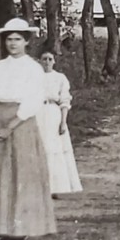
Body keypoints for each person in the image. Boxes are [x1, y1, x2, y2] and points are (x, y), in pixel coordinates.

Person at [0, 18, 56, 240]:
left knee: (20, 173)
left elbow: (33, 100)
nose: (13, 43)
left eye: (18, 39)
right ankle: (0, 228)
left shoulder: (33, 68)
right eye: (9, 39)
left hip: (20, 122)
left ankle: (20, 229)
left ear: (26, 41)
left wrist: (11, 126)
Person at [37, 49, 83, 197]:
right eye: (44, 59)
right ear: (39, 61)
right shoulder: (33, 77)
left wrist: (63, 122)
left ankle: (54, 187)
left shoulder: (60, 78)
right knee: (39, 148)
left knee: (54, 149)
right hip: (37, 112)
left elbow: (64, 101)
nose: (47, 62)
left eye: (50, 59)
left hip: (53, 113)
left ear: (54, 61)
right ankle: (38, 188)